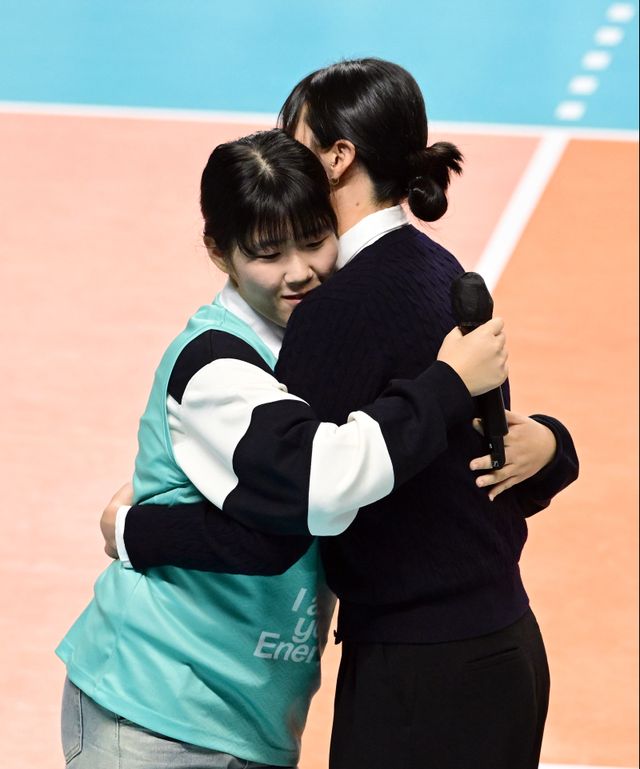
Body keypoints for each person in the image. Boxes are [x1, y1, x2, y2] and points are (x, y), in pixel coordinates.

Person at [108, 60, 579, 769]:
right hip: (506, 647)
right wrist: (557, 448)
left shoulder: (336, 309)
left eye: (292, 137)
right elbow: (486, 456)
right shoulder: (440, 267)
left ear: (336, 157)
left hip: (421, 671)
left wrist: (132, 528)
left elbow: (291, 511)